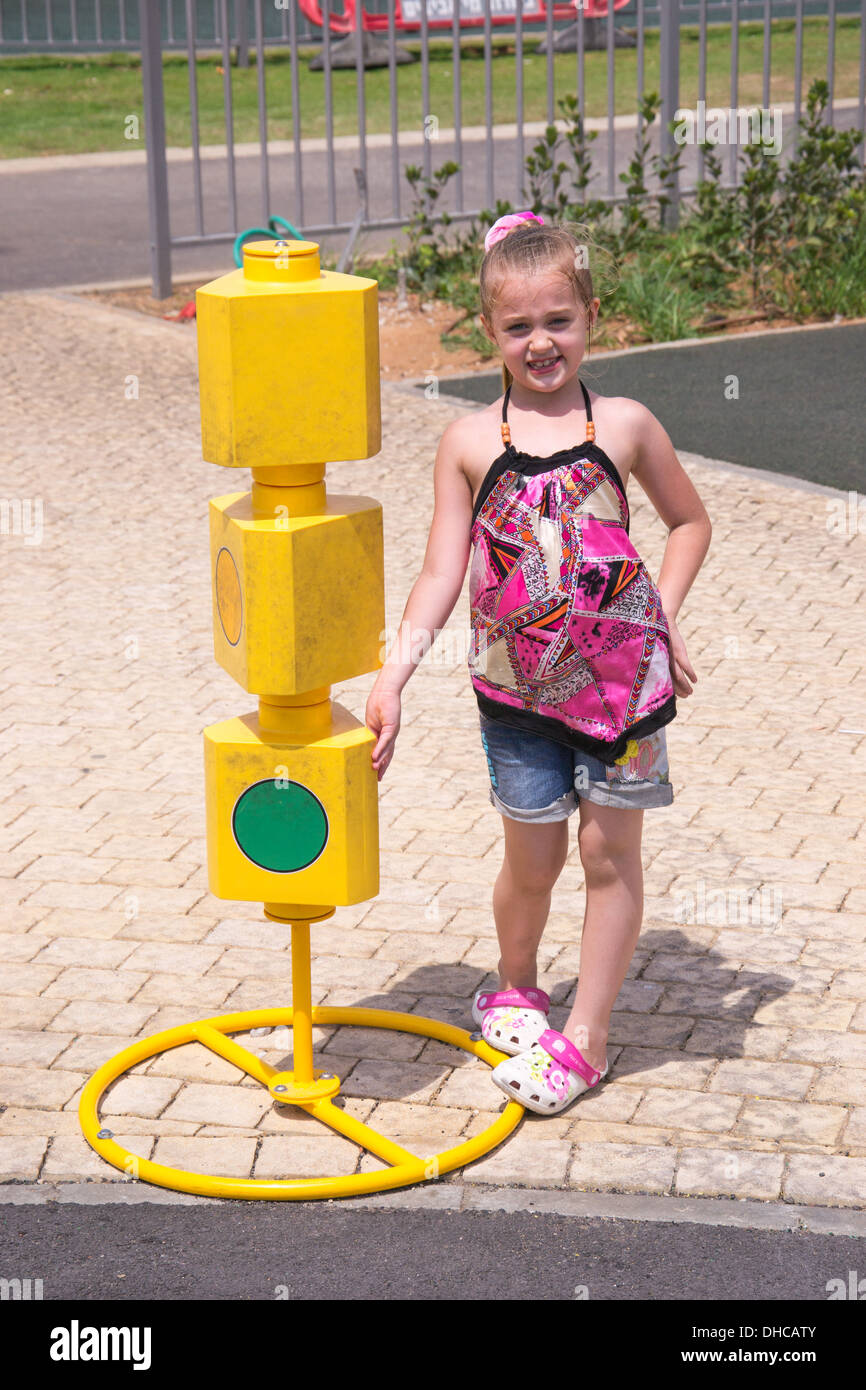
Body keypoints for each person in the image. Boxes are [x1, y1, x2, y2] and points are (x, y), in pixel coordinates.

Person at [365, 213, 712, 1116]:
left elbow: (690, 522)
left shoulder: (627, 425)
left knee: (609, 856)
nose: (541, 341)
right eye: (519, 327)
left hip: (625, 696)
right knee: (533, 862)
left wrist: (659, 616)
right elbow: (443, 570)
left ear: (592, 314)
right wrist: (391, 677)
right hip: (513, 697)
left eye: (559, 319)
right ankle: (516, 987)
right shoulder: (471, 444)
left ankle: (586, 1042)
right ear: (491, 332)